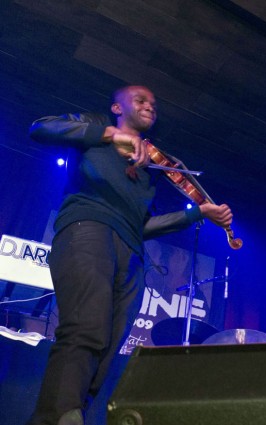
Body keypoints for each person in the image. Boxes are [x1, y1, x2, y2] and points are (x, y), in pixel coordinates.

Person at [26, 85, 234, 425]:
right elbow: (40, 127)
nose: (150, 106)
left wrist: (198, 214)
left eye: (154, 103)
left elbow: (145, 224)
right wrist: (108, 134)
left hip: (131, 250)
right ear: (117, 108)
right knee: (85, 326)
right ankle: (59, 415)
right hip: (87, 228)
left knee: (110, 342)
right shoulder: (94, 125)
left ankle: (74, 412)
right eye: (140, 100)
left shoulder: (149, 167)